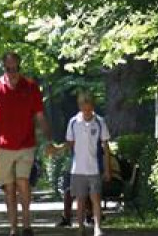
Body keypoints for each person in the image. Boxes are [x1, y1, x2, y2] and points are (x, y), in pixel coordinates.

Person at [0, 51, 55, 236]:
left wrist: (48, 139)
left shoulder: (30, 87)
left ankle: (27, 225)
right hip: (2, 145)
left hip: (26, 144)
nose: (12, 72)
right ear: (4, 68)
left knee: (23, 182)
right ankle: (13, 227)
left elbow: (39, 116)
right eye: (9, 69)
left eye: (15, 68)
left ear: (19, 67)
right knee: (9, 188)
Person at [55, 91, 113, 236]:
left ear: (93, 106)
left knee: (96, 199)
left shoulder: (100, 122)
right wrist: (57, 149)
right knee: (80, 200)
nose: (87, 112)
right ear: (80, 106)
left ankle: (97, 227)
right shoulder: (73, 122)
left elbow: (106, 147)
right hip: (78, 169)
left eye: (89, 109)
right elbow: (69, 143)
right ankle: (80, 227)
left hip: (94, 168)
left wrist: (107, 169)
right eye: (84, 108)